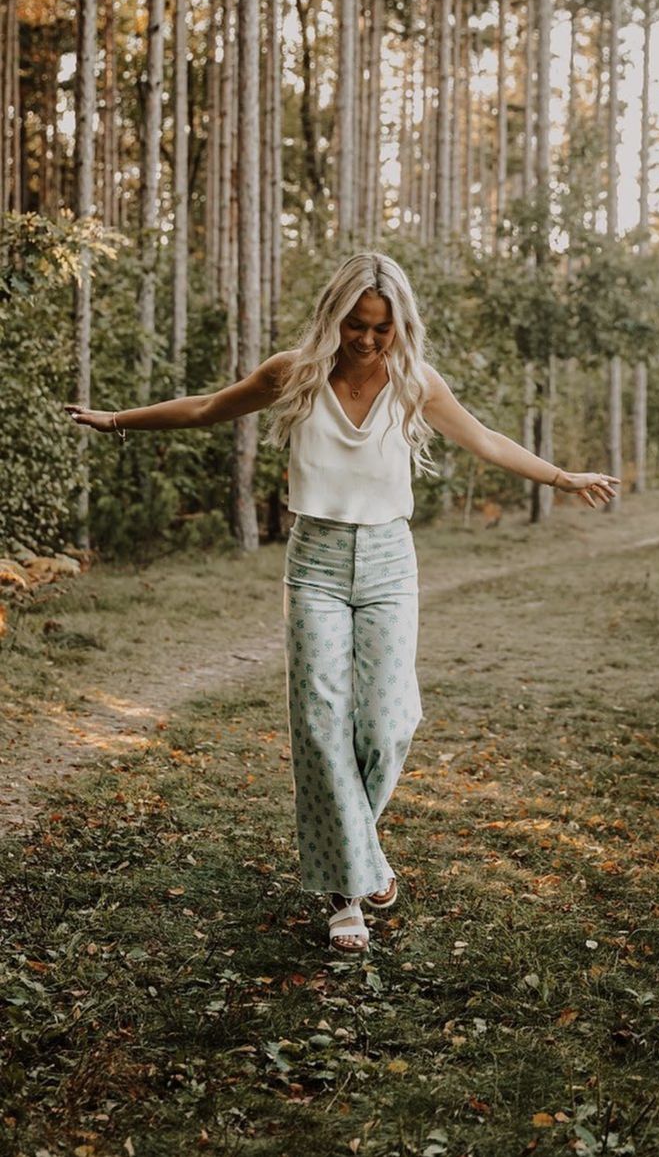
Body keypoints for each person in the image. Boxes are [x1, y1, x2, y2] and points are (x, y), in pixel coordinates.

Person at [65, 250, 619, 954]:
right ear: (336, 317)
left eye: (381, 329)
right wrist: (118, 422)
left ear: (400, 326)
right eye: (356, 325)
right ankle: (347, 892)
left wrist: (561, 475)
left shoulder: (415, 382)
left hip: (389, 560)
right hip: (317, 562)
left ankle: (357, 855)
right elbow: (208, 407)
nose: (366, 340)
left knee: (390, 723)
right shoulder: (293, 372)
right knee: (322, 722)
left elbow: (484, 440)